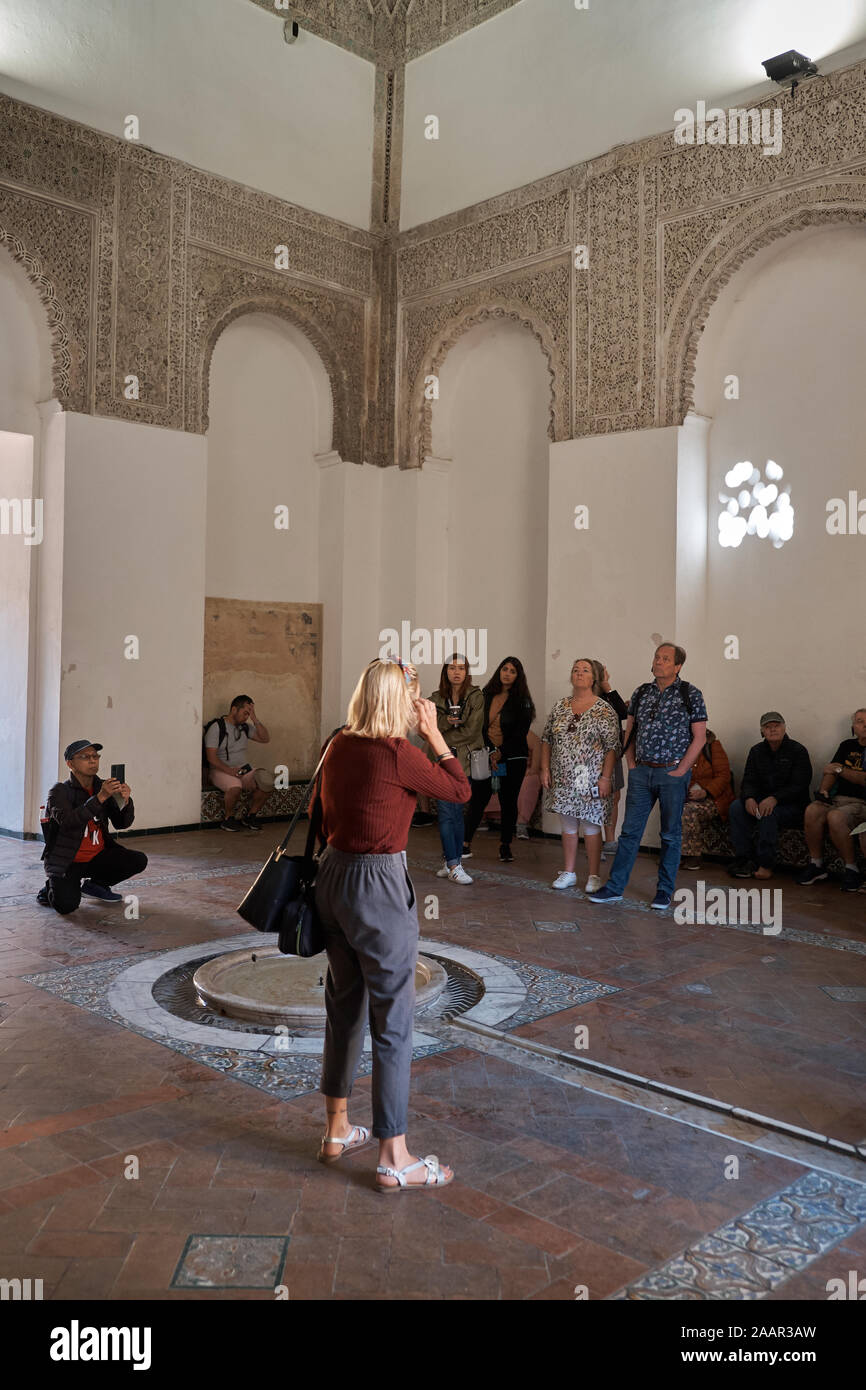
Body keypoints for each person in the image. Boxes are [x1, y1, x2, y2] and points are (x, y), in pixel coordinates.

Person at [315, 657, 470, 1191]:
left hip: (332, 880)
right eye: (414, 699)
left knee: (343, 1005)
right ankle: (394, 1157)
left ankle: (336, 1130)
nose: (417, 706)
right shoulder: (399, 753)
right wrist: (435, 734)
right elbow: (459, 791)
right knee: (394, 1022)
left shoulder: (338, 744)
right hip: (377, 887)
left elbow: (320, 814)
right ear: (400, 703)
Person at [589, 643, 707, 910]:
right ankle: (615, 887)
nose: (659, 661)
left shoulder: (691, 694)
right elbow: (630, 730)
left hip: (672, 773)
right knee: (630, 833)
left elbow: (699, 738)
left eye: (666, 659)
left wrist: (681, 770)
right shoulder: (642, 692)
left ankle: (664, 891)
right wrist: (632, 763)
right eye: (657, 657)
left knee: (670, 835)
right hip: (642, 772)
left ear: (677, 666)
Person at [37, 739, 147, 915]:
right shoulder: (59, 791)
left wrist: (125, 801)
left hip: (97, 857)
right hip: (68, 861)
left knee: (138, 860)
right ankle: (50, 887)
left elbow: (122, 823)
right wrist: (100, 798)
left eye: (95, 756)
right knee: (66, 906)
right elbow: (68, 822)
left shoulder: (103, 787)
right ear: (70, 763)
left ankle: (95, 886)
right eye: (85, 756)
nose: (92, 760)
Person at [540, 659, 620, 893]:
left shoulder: (604, 709)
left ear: (594, 677)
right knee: (568, 825)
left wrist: (606, 778)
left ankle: (594, 875)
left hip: (591, 778)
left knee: (592, 826)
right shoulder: (560, 706)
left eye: (585, 670)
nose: (579, 673)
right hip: (563, 776)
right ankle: (569, 872)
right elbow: (546, 739)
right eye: (575, 669)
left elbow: (612, 747)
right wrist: (545, 768)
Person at [462, 657, 536, 863]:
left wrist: (501, 752)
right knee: (478, 799)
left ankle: (505, 846)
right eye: (505, 669)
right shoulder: (484, 696)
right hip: (485, 755)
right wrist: (492, 750)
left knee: (508, 801)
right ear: (499, 671)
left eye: (513, 671)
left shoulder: (523, 701)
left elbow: (520, 733)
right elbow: (477, 726)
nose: (507, 674)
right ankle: (465, 843)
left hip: (513, 757)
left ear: (518, 676)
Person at [728, 713, 812, 879]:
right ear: (762, 731)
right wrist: (749, 798)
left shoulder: (798, 750)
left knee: (769, 813)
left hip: (792, 805)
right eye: (768, 727)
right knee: (736, 807)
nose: (773, 729)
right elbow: (749, 780)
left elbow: (800, 784)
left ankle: (766, 864)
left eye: (776, 726)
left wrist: (775, 798)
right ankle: (744, 859)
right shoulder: (756, 751)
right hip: (762, 801)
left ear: (784, 728)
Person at [429, 653, 484, 884]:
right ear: (445, 671)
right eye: (452, 668)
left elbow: (472, 731)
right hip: (441, 761)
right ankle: (452, 863)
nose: (456, 672)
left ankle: (454, 861)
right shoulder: (434, 698)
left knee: (458, 813)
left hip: (464, 762)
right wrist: (444, 724)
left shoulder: (475, 696)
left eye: (461, 668)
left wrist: (443, 734)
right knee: (445, 814)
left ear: (467, 672)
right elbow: (428, 726)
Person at [796, 708, 866, 892]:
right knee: (812, 810)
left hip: (861, 803)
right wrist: (824, 790)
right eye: (860, 721)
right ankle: (816, 865)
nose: (864, 725)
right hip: (838, 799)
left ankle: (852, 869)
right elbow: (830, 769)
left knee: (835, 817)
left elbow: (863, 779)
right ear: (853, 727)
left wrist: (841, 770)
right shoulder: (846, 746)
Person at [204, 695, 271, 832]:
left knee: (267, 780)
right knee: (235, 785)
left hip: (242, 769)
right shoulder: (217, 728)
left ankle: (251, 816)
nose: (246, 717)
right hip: (220, 770)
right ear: (234, 710)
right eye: (245, 713)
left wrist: (255, 719)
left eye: (249, 714)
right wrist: (229, 771)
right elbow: (211, 757)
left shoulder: (245, 727)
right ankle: (228, 819)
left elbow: (265, 739)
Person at [679, 730, 734, 870]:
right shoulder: (679, 746)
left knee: (688, 810)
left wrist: (706, 792)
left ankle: (692, 857)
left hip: (714, 799)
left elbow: (724, 775)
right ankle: (672, 855)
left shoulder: (712, 746)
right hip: (689, 796)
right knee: (669, 805)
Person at [592, 661, 629, 857]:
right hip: (593, 757)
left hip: (613, 754)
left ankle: (610, 840)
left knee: (614, 797)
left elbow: (623, 713)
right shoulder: (585, 698)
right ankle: (595, 843)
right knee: (595, 799)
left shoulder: (608, 697)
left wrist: (607, 687)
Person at [516, 729, 543, 838]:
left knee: (530, 781)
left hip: (526, 771)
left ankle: (521, 824)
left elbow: (534, 768)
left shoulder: (530, 736)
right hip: (506, 769)